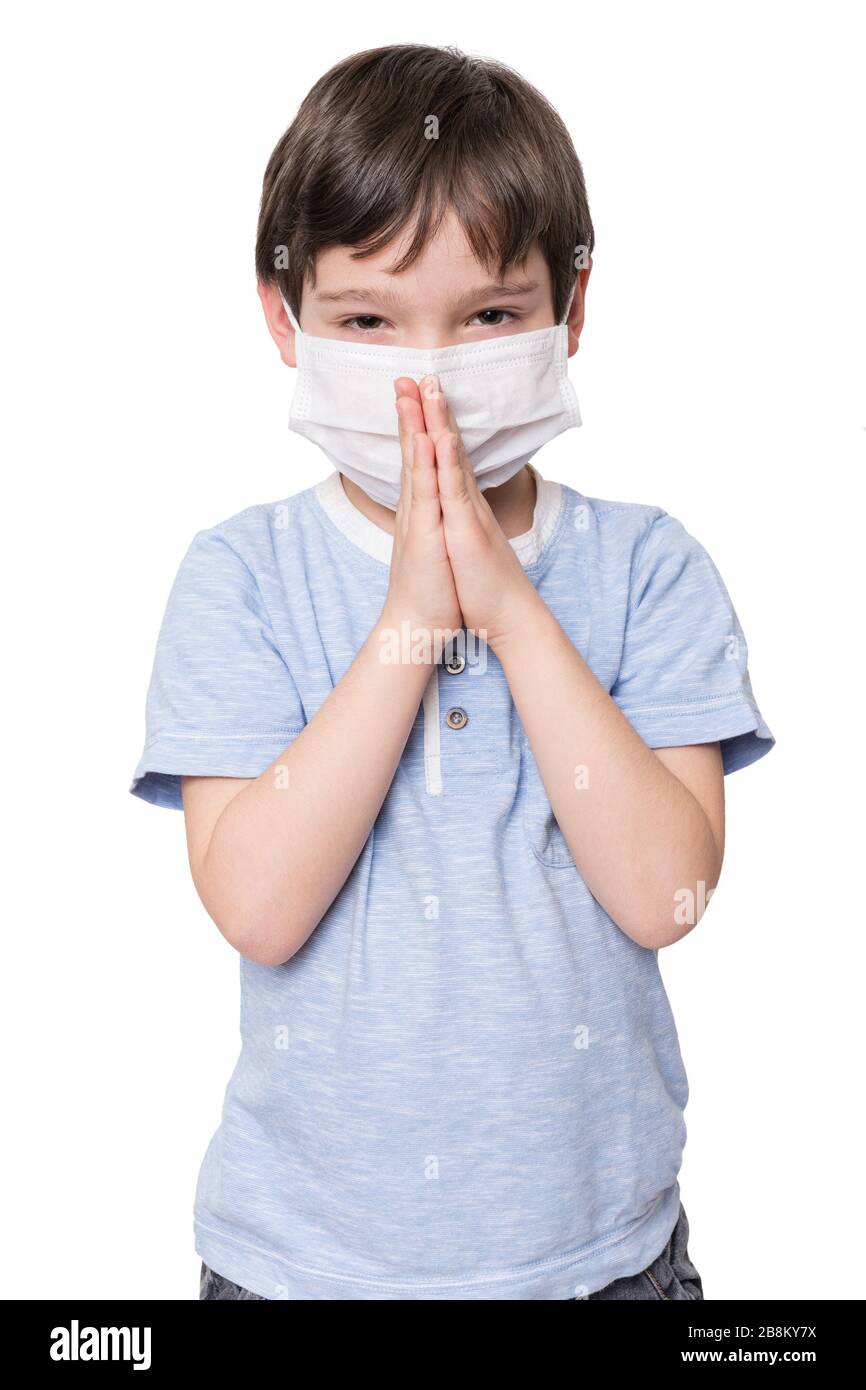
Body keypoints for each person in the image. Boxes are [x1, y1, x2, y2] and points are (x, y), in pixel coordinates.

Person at [130, 43, 774, 1301]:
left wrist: (510, 610)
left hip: (602, 1261)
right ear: (285, 322)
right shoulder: (241, 576)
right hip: (300, 1268)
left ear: (570, 311)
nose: (426, 373)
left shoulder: (648, 568)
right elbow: (257, 908)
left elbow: (668, 896)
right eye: (368, 321)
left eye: (488, 317)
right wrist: (410, 622)